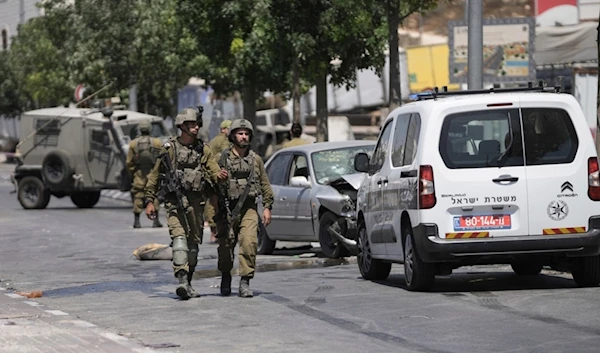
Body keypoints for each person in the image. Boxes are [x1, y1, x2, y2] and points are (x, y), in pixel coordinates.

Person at [144, 107, 226, 300]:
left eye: (197, 124)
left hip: (197, 203)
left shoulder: (202, 149)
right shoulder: (169, 149)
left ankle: (188, 280)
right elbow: (155, 176)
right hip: (174, 203)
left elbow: (213, 168)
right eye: (191, 124)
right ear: (182, 126)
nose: (196, 127)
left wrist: (219, 176)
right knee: (179, 239)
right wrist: (149, 201)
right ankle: (181, 280)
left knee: (194, 244)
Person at [216, 119, 273, 298]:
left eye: (246, 133)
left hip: (248, 208)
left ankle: (245, 281)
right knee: (226, 248)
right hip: (226, 208)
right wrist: (219, 178)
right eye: (240, 133)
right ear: (233, 135)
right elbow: (210, 185)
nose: (243, 136)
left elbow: (265, 184)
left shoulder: (255, 160)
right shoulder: (222, 158)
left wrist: (267, 207)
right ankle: (226, 277)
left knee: (249, 243)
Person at [126, 120, 163, 229]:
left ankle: (137, 221)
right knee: (154, 194)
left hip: (139, 173)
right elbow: (161, 158)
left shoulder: (133, 143)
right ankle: (155, 221)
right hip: (153, 173)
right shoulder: (156, 142)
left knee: (138, 195)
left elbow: (129, 162)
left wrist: (132, 172)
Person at [205, 119, 232, 243]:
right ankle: (217, 231)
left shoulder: (213, 140)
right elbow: (226, 157)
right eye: (229, 128)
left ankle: (213, 231)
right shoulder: (224, 141)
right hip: (219, 174)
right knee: (217, 203)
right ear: (223, 129)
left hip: (211, 174)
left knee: (212, 203)